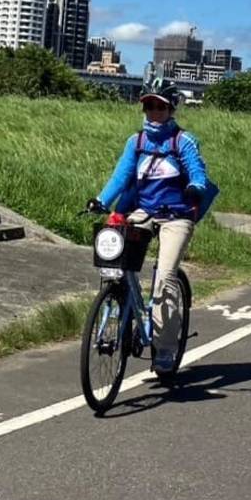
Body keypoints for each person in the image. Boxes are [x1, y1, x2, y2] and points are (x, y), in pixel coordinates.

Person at [88, 78, 213, 374]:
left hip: (177, 215)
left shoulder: (183, 141)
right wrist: (101, 200)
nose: (153, 112)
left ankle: (166, 349)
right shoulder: (137, 141)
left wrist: (196, 186)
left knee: (165, 278)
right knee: (116, 263)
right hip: (144, 211)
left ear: (171, 109)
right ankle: (125, 307)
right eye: (148, 106)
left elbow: (197, 171)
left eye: (160, 106)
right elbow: (121, 175)